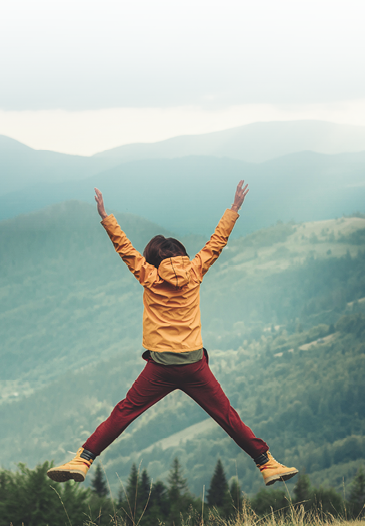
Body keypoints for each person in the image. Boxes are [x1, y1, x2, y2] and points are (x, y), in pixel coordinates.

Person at [47, 180, 298, 487]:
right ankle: (266, 464)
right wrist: (234, 208)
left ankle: (83, 459)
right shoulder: (195, 271)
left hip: (160, 368)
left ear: (153, 259)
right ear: (181, 255)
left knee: (124, 412)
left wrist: (106, 216)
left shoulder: (148, 275)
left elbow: (124, 248)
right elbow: (217, 242)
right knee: (227, 416)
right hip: (194, 365)